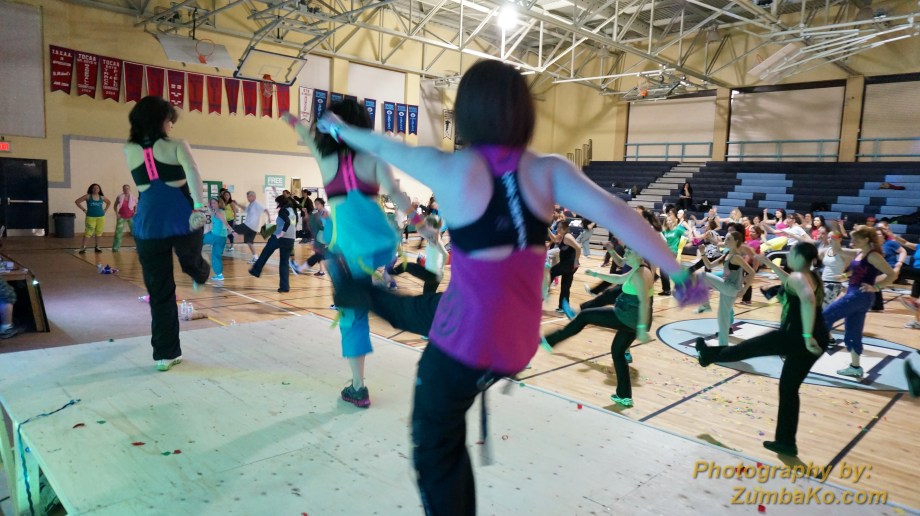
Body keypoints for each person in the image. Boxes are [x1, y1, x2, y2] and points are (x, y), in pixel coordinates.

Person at [308, 60, 694, 515]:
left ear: (467, 114)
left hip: (467, 343)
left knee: (436, 446)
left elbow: (381, 145)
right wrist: (679, 273)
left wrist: (337, 128)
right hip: (514, 343)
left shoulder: (451, 167)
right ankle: (365, 294)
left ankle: (358, 291)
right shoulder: (549, 171)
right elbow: (620, 215)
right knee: (413, 311)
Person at [281, 99, 411, 410]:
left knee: (352, 317)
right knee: (364, 290)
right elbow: (399, 199)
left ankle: (358, 387)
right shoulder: (374, 159)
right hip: (378, 244)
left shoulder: (325, 159)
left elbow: (306, 135)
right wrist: (420, 221)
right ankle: (380, 286)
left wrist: (290, 119)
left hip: (345, 253)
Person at [697, 242, 828, 457]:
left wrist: (806, 336)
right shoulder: (810, 275)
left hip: (796, 337)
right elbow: (790, 282)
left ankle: (708, 355)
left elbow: (807, 299)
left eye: (791, 253)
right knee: (789, 389)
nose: (788, 256)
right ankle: (786, 443)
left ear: (798, 256)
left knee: (744, 349)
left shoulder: (799, 277)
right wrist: (770, 264)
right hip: (818, 339)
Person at [124, 96, 210, 372]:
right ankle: (198, 273)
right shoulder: (176, 145)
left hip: (148, 227)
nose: (172, 124)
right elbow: (193, 173)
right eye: (170, 119)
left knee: (160, 293)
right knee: (191, 258)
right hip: (182, 221)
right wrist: (199, 207)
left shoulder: (129, 149)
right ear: (162, 120)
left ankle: (165, 354)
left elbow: (149, 174)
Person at [542, 247, 653, 408]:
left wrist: (641, 329)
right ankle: (624, 396)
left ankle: (551, 340)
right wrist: (596, 274)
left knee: (585, 315)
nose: (625, 254)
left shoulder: (642, 274)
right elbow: (619, 278)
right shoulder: (639, 269)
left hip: (628, 317)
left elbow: (644, 302)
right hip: (631, 319)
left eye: (629, 252)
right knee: (618, 352)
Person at [822, 227, 898, 378]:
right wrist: (836, 231)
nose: (853, 241)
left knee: (824, 317)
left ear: (866, 239)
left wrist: (876, 287)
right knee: (853, 332)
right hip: (857, 295)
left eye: (856, 238)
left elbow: (892, 275)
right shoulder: (859, 252)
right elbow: (837, 250)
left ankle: (802, 349)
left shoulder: (873, 255)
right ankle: (855, 367)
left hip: (859, 295)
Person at [697, 231, 756, 346]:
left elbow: (752, 272)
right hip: (727, 288)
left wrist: (744, 289)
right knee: (723, 319)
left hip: (731, 288)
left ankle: (705, 304)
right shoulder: (727, 254)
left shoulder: (737, 257)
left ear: (736, 242)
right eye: (726, 238)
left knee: (702, 276)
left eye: (729, 239)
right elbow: (709, 265)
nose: (725, 240)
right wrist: (703, 253)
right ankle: (723, 346)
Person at [387, 214, 448, 295]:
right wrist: (413, 221)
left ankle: (391, 273)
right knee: (427, 295)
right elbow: (421, 231)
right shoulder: (431, 237)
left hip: (433, 274)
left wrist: (440, 270)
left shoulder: (435, 239)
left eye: (426, 225)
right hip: (432, 273)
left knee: (407, 266)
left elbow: (445, 254)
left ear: (431, 227)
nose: (424, 227)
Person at [249, 195, 299, 293]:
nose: (277, 204)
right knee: (284, 263)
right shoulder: (293, 211)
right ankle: (284, 287)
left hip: (279, 238)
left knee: (265, 253)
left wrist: (281, 233)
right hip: (290, 239)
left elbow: (287, 222)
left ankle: (256, 271)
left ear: (281, 202)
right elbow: (293, 223)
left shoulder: (282, 211)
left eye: (277, 202)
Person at [548, 220, 580, 313]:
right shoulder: (561, 236)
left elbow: (578, 248)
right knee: (565, 286)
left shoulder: (567, 237)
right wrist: (547, 228)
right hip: (567, 264)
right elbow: (554, 239)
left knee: (552, 271)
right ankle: (563, 307)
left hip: (569, 264)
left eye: (560, 227)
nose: (558, 229)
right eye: (558, 227)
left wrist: (576, 261)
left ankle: (543, 292)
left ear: (565, 228)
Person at [233, 191, 270, 264]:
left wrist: (269, 218)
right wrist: (237, 204)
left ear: (254, 197)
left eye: (249, 196)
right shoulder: (251, 204)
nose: (248, 198)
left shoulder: (257, 204)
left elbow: (266, 209)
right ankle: (255, 257)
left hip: (249, 225)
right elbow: (245, 208)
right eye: (247, 196)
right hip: (253, 228)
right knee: (249, 242)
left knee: (232, 228)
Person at [75, 184, 111, 254]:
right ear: (91, 189)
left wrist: (105, 210)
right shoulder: (88, 196)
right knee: (88, 232)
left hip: (101, 217)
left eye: (97, 188)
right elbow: (77, 201)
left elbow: (109, 202)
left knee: (99, 232)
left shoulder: (101, 197)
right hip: (90, 217)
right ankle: (83, 247)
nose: (96, 189)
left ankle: (97, 247)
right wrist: (84, 210)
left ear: (99, 189)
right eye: (94, 188)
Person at [203, 197, 232, 282]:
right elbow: (210, 209)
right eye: (211, 203)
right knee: (216, 255)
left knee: (200, 239)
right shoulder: (218, 211)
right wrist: (209, 204)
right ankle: (219, 275)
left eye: (214, 203)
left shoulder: (219, 212)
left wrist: (232, 231)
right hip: (222, 237)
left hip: (216, 236)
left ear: (219, 204)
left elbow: (225, 223)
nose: (212, 205)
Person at [112, 184, 137, 252]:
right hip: (121, 217)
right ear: (123, 190)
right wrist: (117, 214)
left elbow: (135, 207)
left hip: (131, 217)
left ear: (130, 189)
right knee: (118, 233)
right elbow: (115, 206)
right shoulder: (119, 197)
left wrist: (135, 213)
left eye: (127, 188)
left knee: (135, 232)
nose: (126, 190)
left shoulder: (133, 198)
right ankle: (115, 247)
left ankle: (138, 247)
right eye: (125, 188)